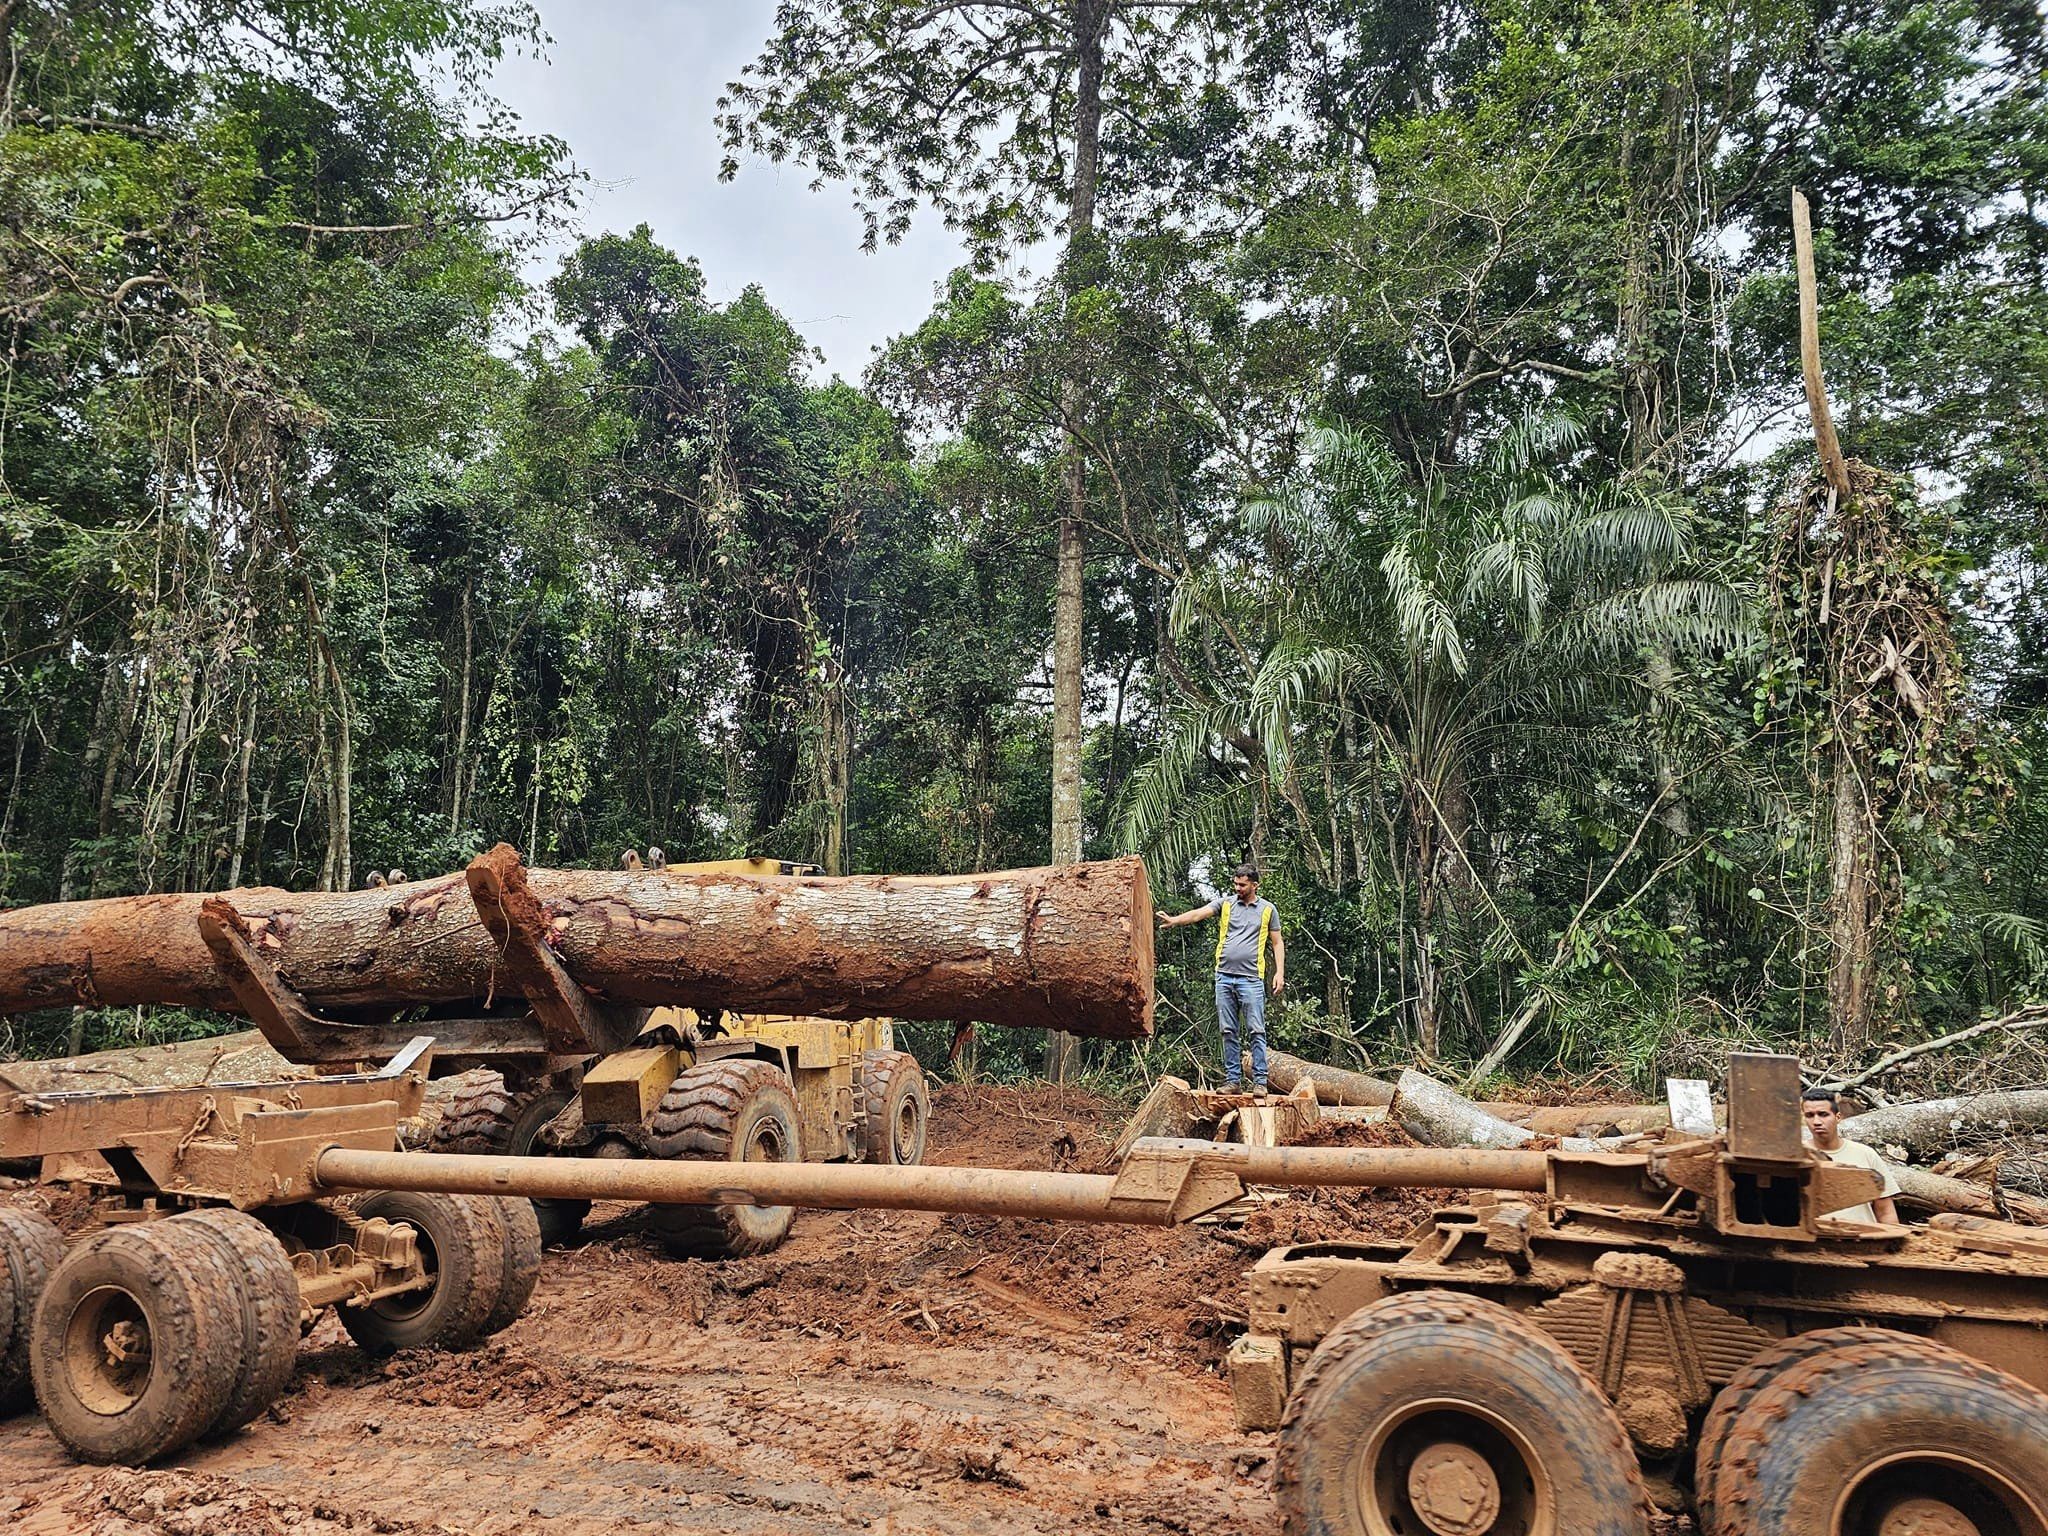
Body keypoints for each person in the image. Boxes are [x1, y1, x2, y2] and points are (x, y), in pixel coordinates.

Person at [1158, 864, 1285, 1093]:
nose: (1237, 888)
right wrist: (1175, 920)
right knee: (1228, 1030)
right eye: (1235, 883)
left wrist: (1279, 972)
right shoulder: (1226, 904)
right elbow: (1198, 913)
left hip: (1251, 979)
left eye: (1242, 885)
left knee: (1256, 1030)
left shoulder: (1268, 910)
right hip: (1224, 976)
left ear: (1255, 885)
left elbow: (1277, 942)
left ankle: (1260, 1082)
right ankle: (1233, 1081)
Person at [1801, 1087, 1901, 1226]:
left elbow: (1885, 1211)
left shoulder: (1865, 1154)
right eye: (1810, 1115)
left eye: (1823, 1114)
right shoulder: (1798, 1156)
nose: (1816, 1121)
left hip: (1863, 1236)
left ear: (1838, 1117)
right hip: (1814, 1237)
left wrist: (1893, 1236)